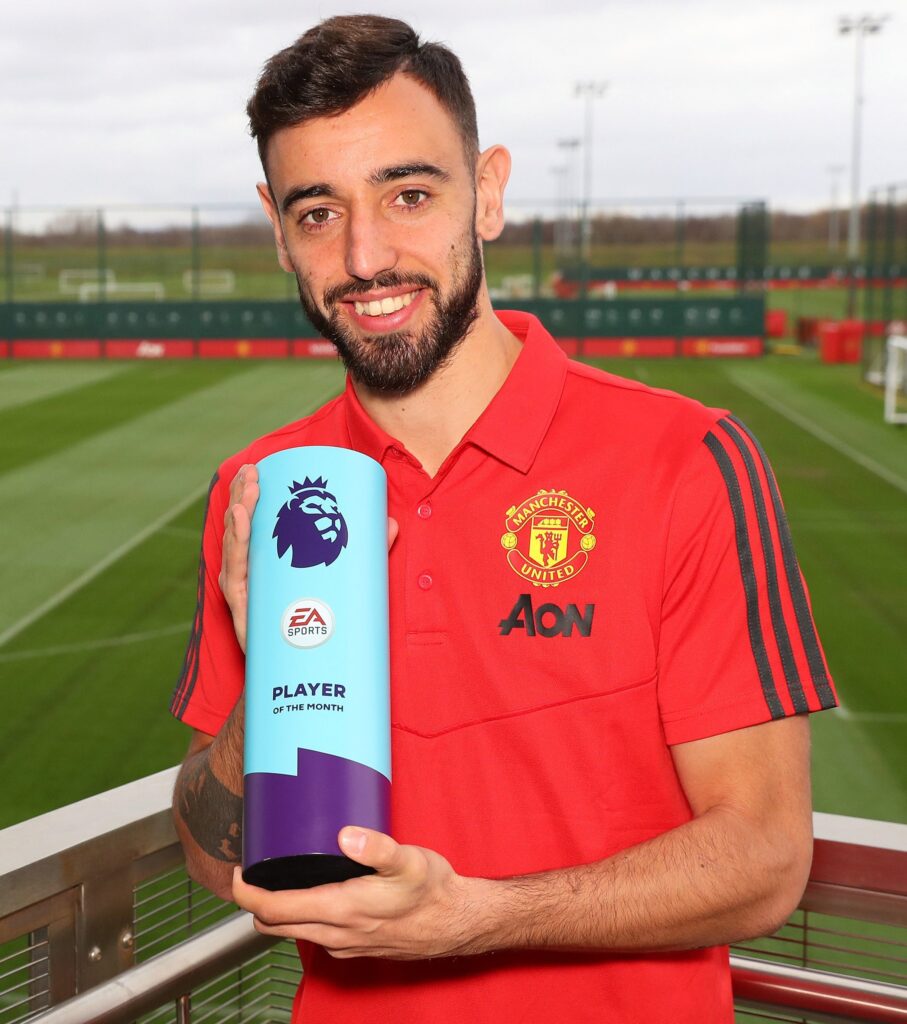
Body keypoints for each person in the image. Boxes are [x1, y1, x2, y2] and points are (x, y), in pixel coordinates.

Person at [170, 14, 838, 1023]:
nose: (365, 254)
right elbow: (216, 855)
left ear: (485, 193)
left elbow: (765, 856)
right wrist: (272, 665)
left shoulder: (687, 460)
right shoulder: (260, 489)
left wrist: (474, 914)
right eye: (318, 213)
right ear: (277, 228)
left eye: (408, 194)